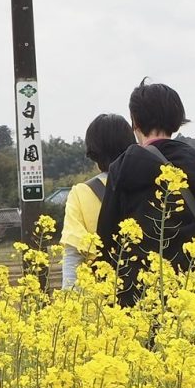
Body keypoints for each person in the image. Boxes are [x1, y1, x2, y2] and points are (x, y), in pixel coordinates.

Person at [96, 80, 195, 303]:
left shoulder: (121, 168)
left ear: (135, 121)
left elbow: (106, 237)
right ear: (177, 120)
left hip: (137, 294)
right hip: (193, 292)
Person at [59, 114, 136, 289]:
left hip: (99, 298)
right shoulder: (149, 184)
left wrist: (68, 304)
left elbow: (73, 255)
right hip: (144, 293)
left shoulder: (80, 193)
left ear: (93, 151)